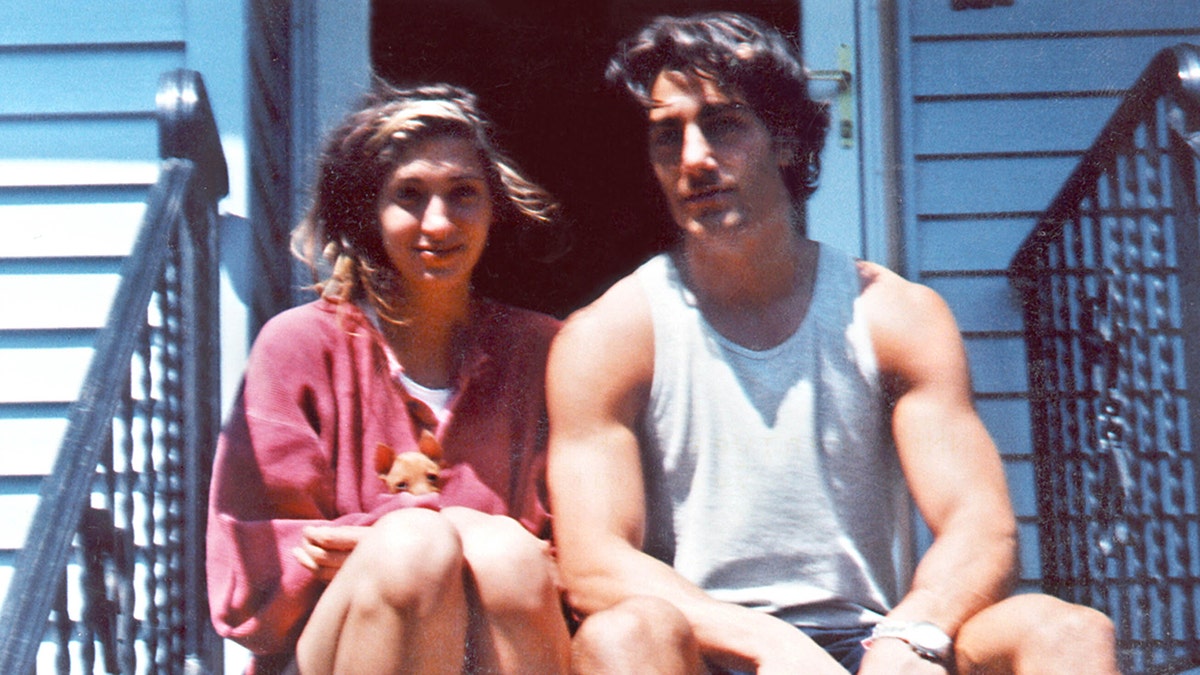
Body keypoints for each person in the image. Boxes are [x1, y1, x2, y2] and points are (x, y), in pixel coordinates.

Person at [545, 12, 1119, 675]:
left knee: (1067, 630)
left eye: (724, 125)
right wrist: (770, 642)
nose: (694, 158)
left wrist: (910, 636)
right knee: (621, 635)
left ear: (786, 141)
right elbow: (594, 563)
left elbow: (980, 526)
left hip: (869, 643)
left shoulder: (893, 315)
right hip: (705, 645)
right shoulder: (610, 334)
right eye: (667, 136)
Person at [206, 82, 571, 674]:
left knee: (498, 556)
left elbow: (580, 565)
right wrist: (407, 535)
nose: (440, 222)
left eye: (464, 193)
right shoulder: (297, 346)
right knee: (413, 551)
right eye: (409, 195)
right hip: (333, 654)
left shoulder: (543, 352)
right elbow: (249, 590)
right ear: (367, 211)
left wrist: (455, 532)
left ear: (494, 207)